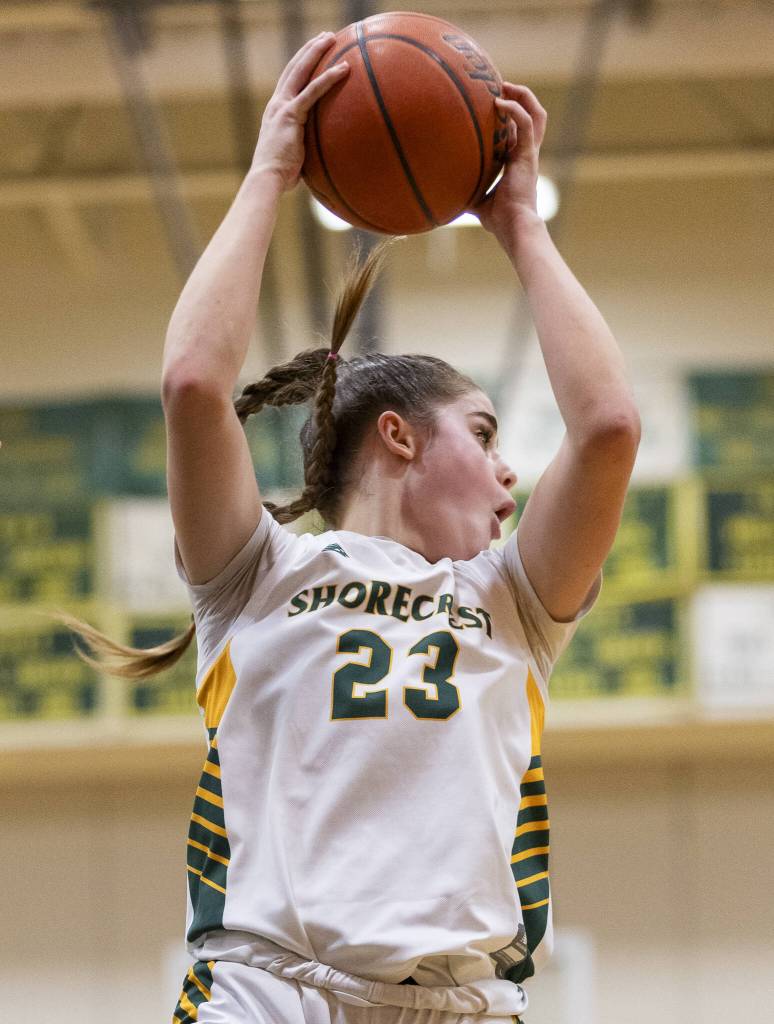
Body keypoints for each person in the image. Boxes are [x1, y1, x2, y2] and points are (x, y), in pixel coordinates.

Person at [67, 30, 640, 1024]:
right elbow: (194, 382)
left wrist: (521, 229)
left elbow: (610, 428)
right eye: (484, 431)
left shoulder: (510, 598)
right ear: (398, 438)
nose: (510, 469)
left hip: (463, 1002)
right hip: (266, 992)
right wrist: (269, 170)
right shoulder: (256, 575)